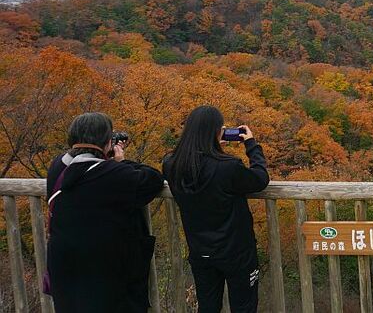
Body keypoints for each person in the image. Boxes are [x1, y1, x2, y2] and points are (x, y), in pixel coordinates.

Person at [46, 112, 164, 313]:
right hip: (106, 270)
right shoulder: (114, 173)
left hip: (65, 265)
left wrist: (106, 158)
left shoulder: (57, 166)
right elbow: (153, 179)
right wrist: (120, 162)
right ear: (107, 142)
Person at [162, 105, 269, 313]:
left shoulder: (171, 165)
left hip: (201, 251)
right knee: (244, 306)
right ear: (216, 132)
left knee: (208, 307)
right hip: (236, 252)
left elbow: (196, 165)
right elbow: (260, 179)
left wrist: (211, 147)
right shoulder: (228, 167)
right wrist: (252, 145)